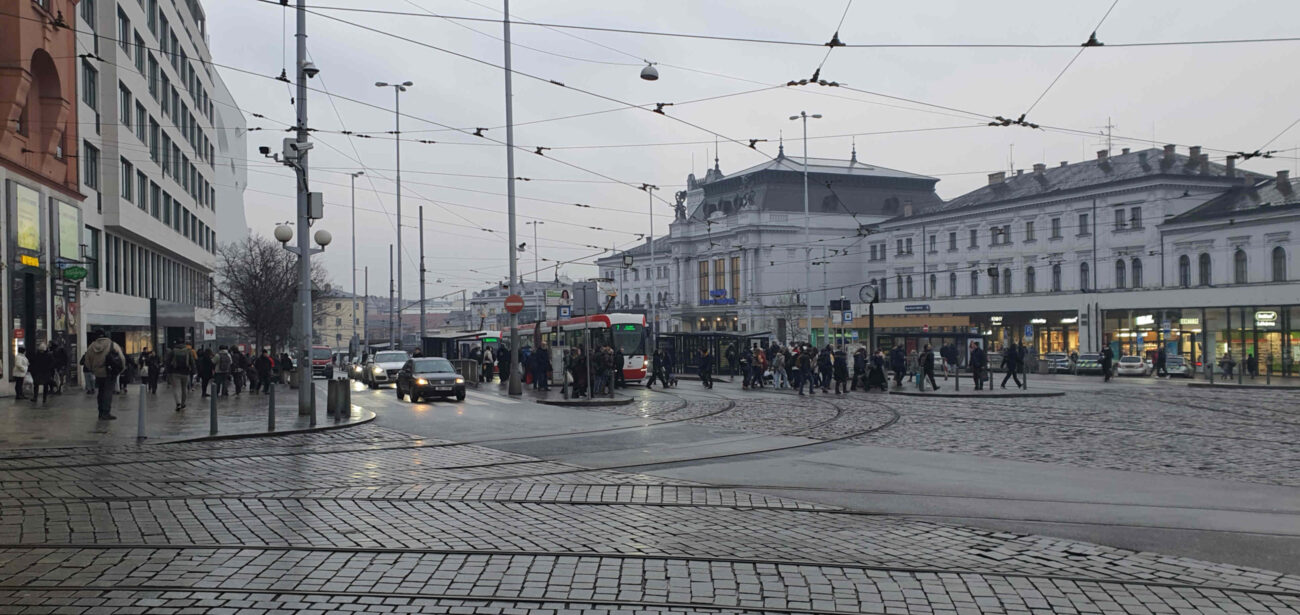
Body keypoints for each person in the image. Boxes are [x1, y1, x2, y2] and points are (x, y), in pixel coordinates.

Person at [83, 331, 125, 420]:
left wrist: (92, 370)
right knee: (108, 392)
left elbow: (86, 360)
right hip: (109, 372)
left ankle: (101, 412)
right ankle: (106, 413)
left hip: (98, 373)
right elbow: (121, 358)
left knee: (101, 392)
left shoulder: (91, 346)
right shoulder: (112, 345)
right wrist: (120, 370)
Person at [167, 341, 195, 411]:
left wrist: (168, 372)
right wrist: (193, 371)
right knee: (184, 388)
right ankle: (183, 403)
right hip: (185, 372)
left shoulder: (173, 351)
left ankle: (178, 403)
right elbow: (192, 362)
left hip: (175, 372)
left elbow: (168, 361)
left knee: (175, 388)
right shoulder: (188, 351)